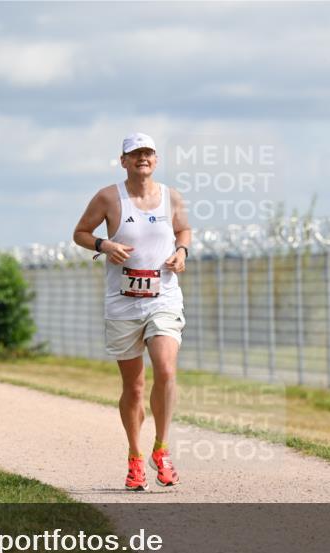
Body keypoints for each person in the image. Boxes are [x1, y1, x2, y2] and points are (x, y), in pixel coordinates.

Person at [73, 132, 191, 491]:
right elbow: (79, 233)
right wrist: (104, 244)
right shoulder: (109, 197)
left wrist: (182, 252)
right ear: (123, 161)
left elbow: (183, 229)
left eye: (148, 153)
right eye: (135, 153)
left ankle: (161, 449)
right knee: (135, 387)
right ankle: (135, 457)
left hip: (163, 297)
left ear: (156, 160)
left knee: (166, 369)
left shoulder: (171, 197)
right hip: (123, 301)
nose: (142, 158)